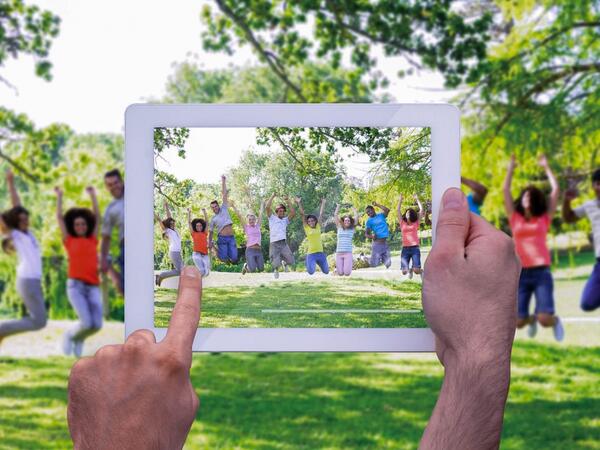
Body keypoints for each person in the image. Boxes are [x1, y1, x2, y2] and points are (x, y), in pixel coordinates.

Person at [67, 189, 521, 449]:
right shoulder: (215, 228)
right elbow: (260, 215)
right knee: (260, 263)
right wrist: (477, 358)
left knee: (278, 264)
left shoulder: (317, 225)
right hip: (273, 249)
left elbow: (309, 215)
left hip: (313, 251)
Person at [504, 154, 564, 341]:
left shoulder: (543, 218)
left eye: (531, 196)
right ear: (521, 200)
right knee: (518, 322)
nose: (527, 198)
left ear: (535, 200)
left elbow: (555, 190)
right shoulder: (515, 218)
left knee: (545, 319)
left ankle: (554, 321)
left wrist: (546, 167)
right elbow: (505, 189)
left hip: (541, 273)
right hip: (521, 273)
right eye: (525, 196)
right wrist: (511, 167)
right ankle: (530, 320)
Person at [0, 170, 47, 346]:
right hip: (28, 281)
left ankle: (2, 330)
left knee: (39, 321)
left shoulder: (28, 234)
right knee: (39, 321)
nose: (26, 222)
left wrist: (11, 181)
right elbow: (14, 208)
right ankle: (2, 329)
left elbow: (17, 206)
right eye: (22, 221)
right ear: (15, 223)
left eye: (27, 219)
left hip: (32, 281)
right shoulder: (16, 235)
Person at [55, 186, 102, 357]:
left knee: (96, 324)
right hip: (75, 286)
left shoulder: (92, 240)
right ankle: (70, 335)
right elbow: (59, 218)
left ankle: (79, 338)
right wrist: (60, 196)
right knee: (86, 321)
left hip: (93, 287)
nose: (80, 226)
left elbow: (97, 218)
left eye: (82, 224)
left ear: (86, 225)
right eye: (77, 224)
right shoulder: (69, 240)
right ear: (73, 227)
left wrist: (93, 196)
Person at [563, 168, 600, 312]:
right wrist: (566, 201)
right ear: (593, 186)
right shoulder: (589, 205)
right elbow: (569, 218)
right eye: (598, 183)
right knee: (587, 304)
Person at [100, 169, 124, 296]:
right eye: (110, 185)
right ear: (107, 187)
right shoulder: (111, 209)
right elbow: (106, 236)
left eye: (116, 182)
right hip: (125, 247)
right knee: (125, 288)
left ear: (121, 181)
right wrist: (103, 258)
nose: (114, 187)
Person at [209, 175, 238, 264]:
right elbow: (210, 232)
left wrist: (223, 181)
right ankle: (214, 247)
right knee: (223, 259)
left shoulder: (224, 208)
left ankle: (228, 257)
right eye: (212, 207)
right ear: (211, 209)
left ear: (218, 205)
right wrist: (209, 242)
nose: (214, 208)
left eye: (215, 206)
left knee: (234, 258)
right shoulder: (213, 219)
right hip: (222, 238)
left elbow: (224, 194)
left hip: (231, 237)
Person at [230, 200, 265, 274]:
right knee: (252, 270)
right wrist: (233, 206)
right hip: (250, 250)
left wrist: (262, 204)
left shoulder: (258, 226)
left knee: (261, 269)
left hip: (258, 250)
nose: (251, 221)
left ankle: (248, 265)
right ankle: (246, 267)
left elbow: (261, 213)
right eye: (250, 219)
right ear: (247, 220)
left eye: (253, 219)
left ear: (255, 220)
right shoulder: (246, 227)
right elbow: (239, 216)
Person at [265, 193, 296, 279]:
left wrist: (288, 200)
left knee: (291, 261)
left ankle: (285, 263)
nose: (281, 212)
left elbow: (293, 213)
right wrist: (272, 196)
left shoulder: (285, 220)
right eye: (280, 211)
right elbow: (267, 207)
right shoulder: (272, 218)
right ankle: (276, 270)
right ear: (277, 212)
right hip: (274, 243)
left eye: (283, 211)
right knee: (275, 262)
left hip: (283, 243)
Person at [297, 197, 329, 275]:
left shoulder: (318, 226)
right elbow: (302, 214)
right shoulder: (307, 228)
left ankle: (318, 262)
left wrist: (323, 203)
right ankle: (312, 261)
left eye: (312, 220)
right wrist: (299, 203)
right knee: (311, 272)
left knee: (326, 272)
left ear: (315, 221)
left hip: (321, 253)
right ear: (307, 223)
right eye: (309, 221)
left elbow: (321, 214)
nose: (311, 222)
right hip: (311, 254)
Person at [154, 201, 182, 287]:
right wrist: (154, 213)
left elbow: (169, 216)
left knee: (181, 270)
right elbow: (159, 220)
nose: (173, 223)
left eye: (173, 222)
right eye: (171, 223)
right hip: (174, 252)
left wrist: (166, 206)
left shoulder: (175, 230)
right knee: (181, 271)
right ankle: (161, 275)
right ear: (168, 225)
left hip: (177, 252)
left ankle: (161, 276)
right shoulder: (168, 231)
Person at [397, 194, 425, 279]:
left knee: (416, 270)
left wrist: (417, 199)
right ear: (405, 214)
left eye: (410, 212)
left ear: (412, 215)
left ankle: (420, 271)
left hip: (415, 248)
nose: (408, 213)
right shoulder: (402, 223)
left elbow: (421, 209)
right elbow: (397, 210)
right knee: (404, 272)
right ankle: (409, 270)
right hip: (405, 249)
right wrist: (400, 200)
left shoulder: (416, 223)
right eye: (407, 212)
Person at [334, 203, 359, 276]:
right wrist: (338, 206)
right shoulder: (339, 227)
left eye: (348, 220)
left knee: (347, 273)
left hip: (348, 253)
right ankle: (336, 270)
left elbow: (356, 217)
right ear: (343, 221)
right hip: (339, 252)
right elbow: (335, 215)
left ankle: (346, 266)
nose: (347, 222)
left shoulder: (352, 229)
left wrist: (353, 209)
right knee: (340, 273)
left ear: (350, 222)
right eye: (345, 220)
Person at [365, 201, 391, 268]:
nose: (368, 213)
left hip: (384, 243)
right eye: (367, 212)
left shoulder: (381, 215)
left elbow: (387, 210)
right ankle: (366, 259)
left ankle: (381, 257)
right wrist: (372, 236)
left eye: (369, 211)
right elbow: (366, 234)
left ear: (373, 209)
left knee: (388, 264)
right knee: (374, 265)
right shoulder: (369, 221)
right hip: (377, 243)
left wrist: (377, 204)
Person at [188, 207, 210, 277]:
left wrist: (204, 212)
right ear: (195, 227)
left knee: (207, 272)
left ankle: (196, 277)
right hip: (196, 254)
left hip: (205, 254)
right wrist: (189, 212)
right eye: (197, 226)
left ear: (202, 226)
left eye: (200, 225)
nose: (199, 227)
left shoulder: (205, 233)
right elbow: (189, 222)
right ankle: (194, 281)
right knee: (202, 271)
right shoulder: (193, 233)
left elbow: (207, 222)